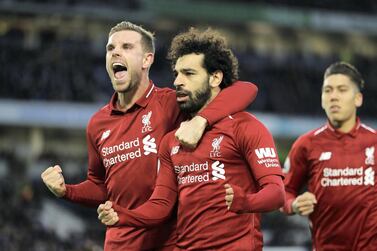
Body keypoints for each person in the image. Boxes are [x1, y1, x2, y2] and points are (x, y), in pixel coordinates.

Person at [40, 21, 258, 251]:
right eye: (110, 48)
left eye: (126, 46)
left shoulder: (171, 103)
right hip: (119, 244)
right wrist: (67, 190)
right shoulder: (97, 124)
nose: (115, 51)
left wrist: (201, 120)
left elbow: (246, 89)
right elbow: (100, 185)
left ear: (147, 60)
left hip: (169, 242)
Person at [97, 27, 285, 251]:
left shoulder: (246, 128)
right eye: (176, 73)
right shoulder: (171, 141)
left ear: (215, 77)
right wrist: (124, 215)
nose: (177, 81)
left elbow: (276, 194)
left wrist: (246, 202)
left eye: (189, 73)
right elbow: (161, 205)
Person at [281, 62, 377, 250]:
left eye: (342, 90)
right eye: (328, 91)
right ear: (322, 99)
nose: (334, 97)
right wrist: (293, 205)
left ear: (358, 98)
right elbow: (282, 191)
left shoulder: (374, 142)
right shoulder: (306, 144)